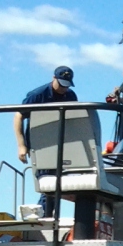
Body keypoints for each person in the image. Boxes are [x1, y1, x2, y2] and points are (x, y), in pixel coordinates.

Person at [14, 66, 78, 217]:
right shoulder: (37, 95)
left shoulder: (71, 96)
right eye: (61, 84)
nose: (63, 89)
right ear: (53, 78)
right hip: (40, 143)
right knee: (47, 183)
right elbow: (18, 116)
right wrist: (21, 145)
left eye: (66, 85)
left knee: (58, 183)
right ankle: (43, 216)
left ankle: (45, 215)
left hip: (61, 143)